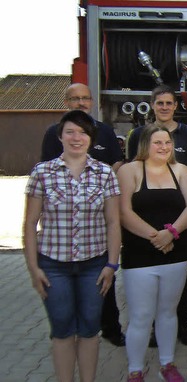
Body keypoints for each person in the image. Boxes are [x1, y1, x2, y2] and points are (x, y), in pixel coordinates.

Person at [23, 110, 121, 382]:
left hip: (94, 266)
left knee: (90, 328)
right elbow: (30, 224)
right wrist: (34, 269)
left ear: (91, 138)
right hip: (54, 266)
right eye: (70, 132)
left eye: (82, 133)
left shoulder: (104, 174)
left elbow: (113, 223)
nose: (76, 138)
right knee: (62, 328)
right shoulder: (42, 173)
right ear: (60, 136)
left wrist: (112, 265)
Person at [40, 83, 126, 347]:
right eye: (74, 98)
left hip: (98, 221)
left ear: (92, 101)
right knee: (65, 290)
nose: (80, 102)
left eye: (85, 98)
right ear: (66, 102)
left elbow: (117, 164)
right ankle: (70, 332)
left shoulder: (106, 132)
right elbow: (45, 173)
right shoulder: (54, 134)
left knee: (103, 281)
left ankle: (110, 328)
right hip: (64, 228)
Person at [118, 125, 187, 382]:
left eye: (167, 142)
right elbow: (124, 212)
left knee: (167, 312)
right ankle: (135, 370)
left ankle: (167, 364)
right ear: (145, 145)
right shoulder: (129, 171)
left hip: (175, 254)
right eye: (157, 142)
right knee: (141, 315)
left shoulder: (182, 171)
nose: (163, 147)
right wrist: (157, 237)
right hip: (140, 257)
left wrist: (172, 232)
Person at [126, 85, 187, 346]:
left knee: (179, 283)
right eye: (160, 103)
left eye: (169, 103)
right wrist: (155, 235)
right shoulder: (137, 134)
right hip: (146, 231)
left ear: (175, 106)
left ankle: (182, 323)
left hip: (178, 221)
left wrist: (172, 232)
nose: (165, 107)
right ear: (153, 106)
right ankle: (154, 328)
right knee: (148, 291)